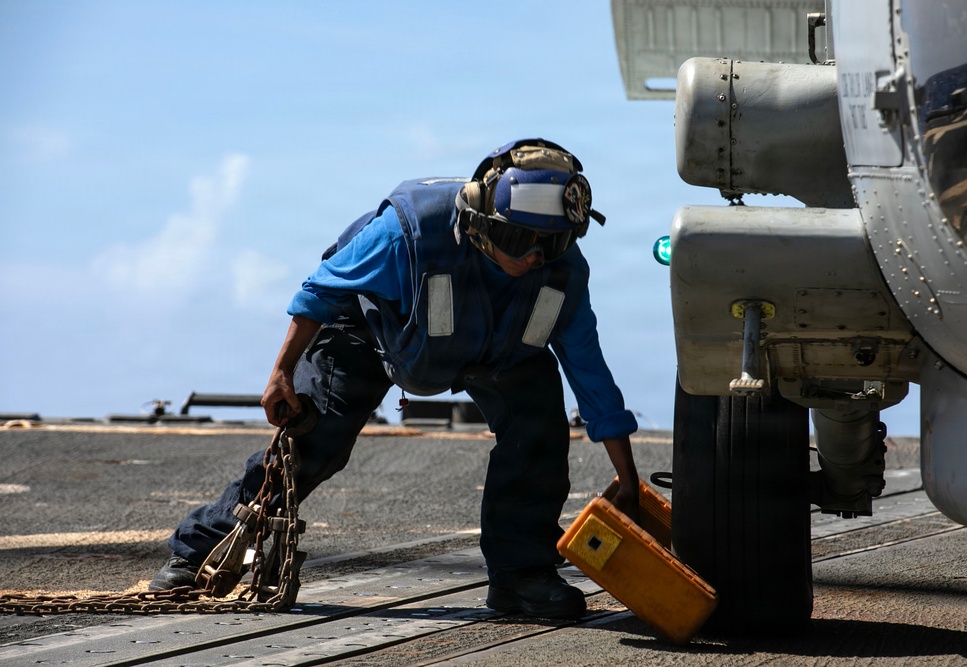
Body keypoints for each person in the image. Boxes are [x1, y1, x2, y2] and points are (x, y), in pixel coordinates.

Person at [149, 138, 641, 620]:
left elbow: (589, 369)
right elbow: (319, 292)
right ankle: (197, 552)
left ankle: (522, 576)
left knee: (537, 438)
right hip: (372, 330)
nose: (534, 257)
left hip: (498, 353)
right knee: (314, 443)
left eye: (550, 244)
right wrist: (281, 373)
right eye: (519, 240)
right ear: (480, 222)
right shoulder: (408, 234)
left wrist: (627, 474)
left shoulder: (561, 275)